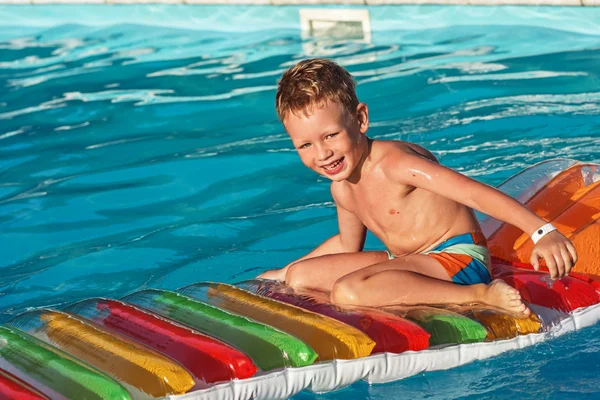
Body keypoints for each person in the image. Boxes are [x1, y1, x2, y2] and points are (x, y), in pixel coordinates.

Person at [258, 58, 577, 315]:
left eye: (331, 136)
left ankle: (478, 296)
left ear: (360, 119)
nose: (322, 153)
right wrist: (284, 271)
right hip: (408, 260)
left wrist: (541, 232)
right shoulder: (342, 188)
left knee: (349, 292)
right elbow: (347, 243)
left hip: (458, 260)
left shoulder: (397, 164)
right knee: (300, 278)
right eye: (305, 145)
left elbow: (472, 192)